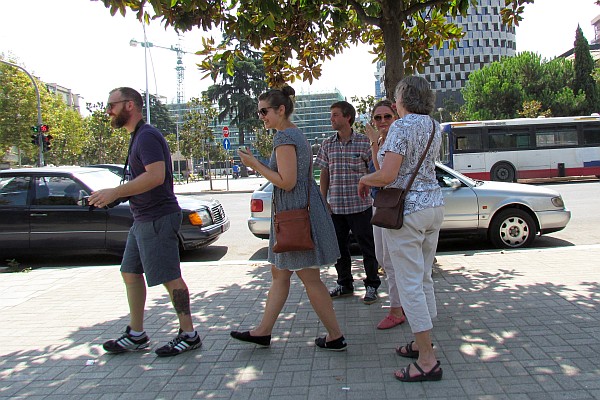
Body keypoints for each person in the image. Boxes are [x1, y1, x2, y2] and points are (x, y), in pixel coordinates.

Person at [231, 86, 347, 351]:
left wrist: (256, 165)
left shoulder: (283, 137)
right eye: (259, 111)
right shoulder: (295, 134)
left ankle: (335, 336)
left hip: (294, 218)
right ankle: (263, 331)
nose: (261, 116)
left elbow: (286, 181)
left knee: (309, 278)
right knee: (279, 274)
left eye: (264, 111)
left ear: (280, 110)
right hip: (298, 214)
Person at [89, 87, 201, 357]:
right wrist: (113, 196)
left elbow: (155, 176)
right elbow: (143, 180)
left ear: (129, 105)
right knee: (130, 273)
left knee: (170, 278)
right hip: (142, 219)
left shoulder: (147, 136)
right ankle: (136, 334)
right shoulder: (139, 136)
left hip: (157, 218)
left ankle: (189, 334)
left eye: (111, 105)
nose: (108, 111)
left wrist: (115, 192)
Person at [358, 76, 444, 382]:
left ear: (401, 101)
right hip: (433, 207)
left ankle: (427, 358)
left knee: (408, 284)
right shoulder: (434, 127)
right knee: (423, 279)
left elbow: (387, 175)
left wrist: (365, 180)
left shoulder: (401, 127)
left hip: (407, 212)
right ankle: (425, 343)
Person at [315, 100, 380, 304]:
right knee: (338, 249)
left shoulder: (363, 142)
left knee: (368, 247)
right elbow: (324, 172)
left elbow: (375, 170)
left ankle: (371, 285)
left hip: (360, 206)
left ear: (347, 117)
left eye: (335, 114)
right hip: (336, 208)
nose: (331, 118)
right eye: (331, 114)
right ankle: (344, 284)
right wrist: (323, 199)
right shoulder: (327, 144)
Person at [364, 99, 406, 330]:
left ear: (395, 117)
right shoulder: (382, 140)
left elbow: (382, 174)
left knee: (390, 260)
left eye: (386, 117)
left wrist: (364, 180)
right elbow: (378, 168)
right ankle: (400, 306)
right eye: (377, 117)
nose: (381, 121)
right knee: (384, 258)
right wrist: (374, 142)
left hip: (393, 204)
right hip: (381, 203)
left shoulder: (395, 140)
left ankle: (397, 309)